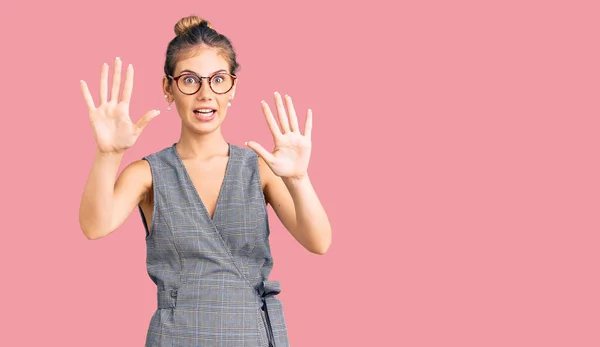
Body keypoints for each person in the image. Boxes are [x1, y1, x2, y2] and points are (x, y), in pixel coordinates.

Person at [78, 15, 332, 347]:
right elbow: (94, 226)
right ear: (168, 88)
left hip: (251, 336)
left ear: (233, 88)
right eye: (189, 80)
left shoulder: (261, 169)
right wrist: (107, 154)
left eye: (218, 79)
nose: (205, 93)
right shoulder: (148, 174)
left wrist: (298, 178)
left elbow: (319, 242)